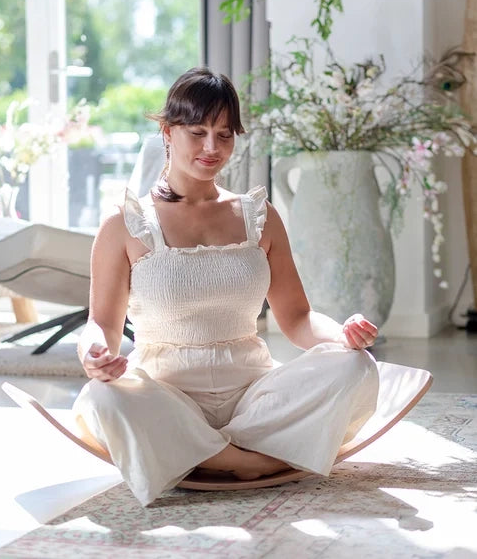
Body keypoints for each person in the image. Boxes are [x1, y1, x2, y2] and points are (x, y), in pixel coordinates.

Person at [73, 67, 380, 507]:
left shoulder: (259, 215)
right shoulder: (125, 223)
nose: (211, 148)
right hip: (166, 393)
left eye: (224, 134)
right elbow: (101, 323)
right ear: (167, 131)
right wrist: (93, 354)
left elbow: (297, 318)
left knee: (355, 367)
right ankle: (249, 460)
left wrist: (345, 334)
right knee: (104, 398)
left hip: (254, 397)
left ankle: (198, 453)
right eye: (197, 132)